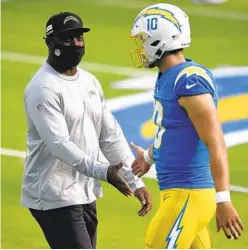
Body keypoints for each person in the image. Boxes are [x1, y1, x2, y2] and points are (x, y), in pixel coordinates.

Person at [22, 11, 152, 249]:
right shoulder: (43, 89)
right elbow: (59, 144)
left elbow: (109, 134)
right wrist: (103, 172)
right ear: (50, 43)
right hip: (54, 194)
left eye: (79, 38)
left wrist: (135, 182)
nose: (76, 44)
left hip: (85, 191)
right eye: (67, 39)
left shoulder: (89, 82)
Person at [128, 3, 243, 249]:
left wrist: (224, 199)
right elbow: (171, 129)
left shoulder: (189, 80)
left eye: (143, 39)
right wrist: (148, 156)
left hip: (188, 195)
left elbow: (216, 142)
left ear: (158, 40)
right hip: (182, 194)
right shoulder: (170, 76)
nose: (140, 46)